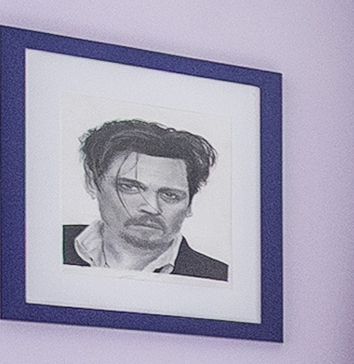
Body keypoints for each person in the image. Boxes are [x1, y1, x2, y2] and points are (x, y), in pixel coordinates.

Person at [61, 116, 229, 279]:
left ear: (189, 204)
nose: (152, 207)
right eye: (130, 187)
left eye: (170, 195)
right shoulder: (50, 244)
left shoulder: (218, 276)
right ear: (92, 182)